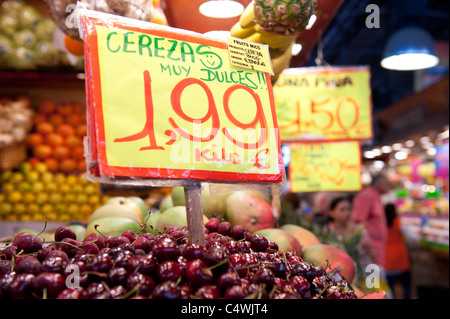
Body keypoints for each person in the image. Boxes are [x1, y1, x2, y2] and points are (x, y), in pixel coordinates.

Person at [351, 174, 392, 266]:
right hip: (370, 250)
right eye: (386, 183)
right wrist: (367, 245)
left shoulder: (375, 196)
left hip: (376, 249)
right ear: (380, 184)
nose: (389, 186)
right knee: (373, 279)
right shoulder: (367, 196)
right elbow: (358, 222)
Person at [384, 203, 411, 299]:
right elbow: (412, 237)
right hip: (400, 260)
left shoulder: (381, 225)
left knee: (389, 289)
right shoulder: (399, 223)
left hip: (387, 261)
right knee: (406, 286)